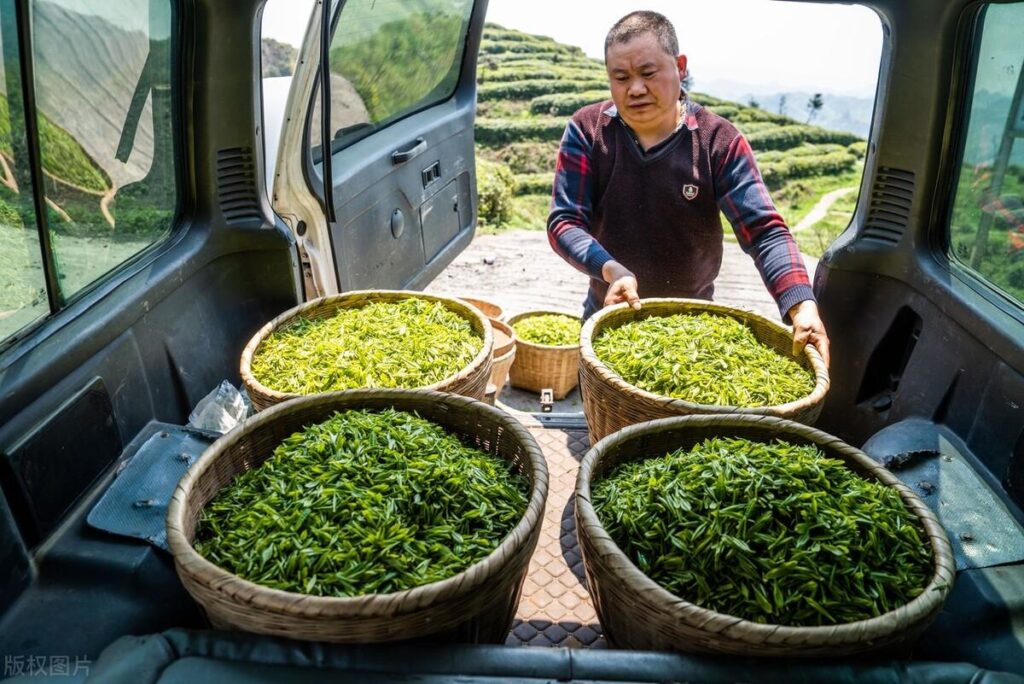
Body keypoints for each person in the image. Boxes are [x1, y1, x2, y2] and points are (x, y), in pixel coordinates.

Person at [547, 10, 831, 366]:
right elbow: (564, 221)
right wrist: (610, 269)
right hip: (607, 313)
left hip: (692, 326)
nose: (635, 89)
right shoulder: (587, 130)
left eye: (648, 73)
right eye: (621, 77)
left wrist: (801, 304)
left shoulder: (719, 141)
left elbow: (764, 232)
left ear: (680, 66)